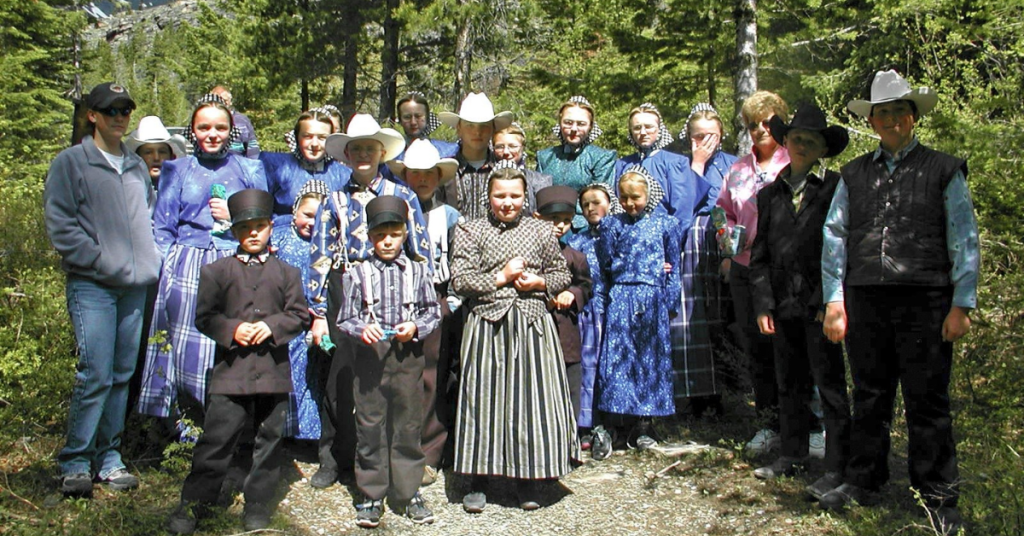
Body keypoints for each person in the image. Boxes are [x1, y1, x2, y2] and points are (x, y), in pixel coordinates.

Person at [818, 70, 978, 534]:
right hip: (865, 296)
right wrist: (834, 300)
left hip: (927, 297)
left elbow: (963, 238)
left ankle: (938, 497)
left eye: (896, 112)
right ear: (873, 119)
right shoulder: (853, 173)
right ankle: (863, 481)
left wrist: (961, 302)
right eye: (881, 112)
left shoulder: (944, 169)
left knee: (928, 400)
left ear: (912, 118)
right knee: (869, 395)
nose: (889, 120)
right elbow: (834, 237)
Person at [166, 189, 309, 534]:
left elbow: (298, 315)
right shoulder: (217, 271)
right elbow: (205, 317)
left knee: (269, 439)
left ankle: (258, 504)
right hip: (231, 373)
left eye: (260, 226)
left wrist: (269, 326)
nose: (254, 233)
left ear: (271, 227)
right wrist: (233, 330)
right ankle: (195, 503)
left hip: (273, 373)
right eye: (246, 228)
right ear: (234, 232)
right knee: (217, 439)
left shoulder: (286, 273)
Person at [44, 82, 161, 497]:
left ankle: (108, 458)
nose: (119, 117)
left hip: (134, 288)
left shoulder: (133, 166)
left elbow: (148, 220)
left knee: (121, 375)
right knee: (94, 373)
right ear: (92, 114)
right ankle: (75, 460)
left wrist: (150, 262)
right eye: (111, 109)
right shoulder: (71, 163)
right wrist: (100, 260)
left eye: (126, 109)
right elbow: (61, 225)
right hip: (92, 285)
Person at [307, 113, 431, 489]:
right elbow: (320, 254)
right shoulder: (335, 199)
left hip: (395, 287)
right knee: (341, 378)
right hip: (347, 287)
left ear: (381, 152)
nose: (363, 154)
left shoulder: (403, 195)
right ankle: (335, 457)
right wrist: (317, 311)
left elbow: (420, 250)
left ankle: (399, 463)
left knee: (394, 378)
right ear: (346, 155)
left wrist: (422, 294)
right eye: (356, 148)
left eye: (370, 148)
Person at [450, 167, 579, 513]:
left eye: (514, 196)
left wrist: (539, 283)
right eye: (500, 196)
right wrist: (500, 277)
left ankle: (528, 479)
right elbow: (460, 279)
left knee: (530, 402)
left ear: (525, 197)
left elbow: (561, 272)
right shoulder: (469, 230)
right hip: (487, 324)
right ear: (488, 197)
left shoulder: (540, 229)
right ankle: (478, 478)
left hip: (532, 324)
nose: (507, 203)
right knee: (483, 400)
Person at [136, 94, 269, 426]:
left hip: (234, 261)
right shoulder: (177, 169)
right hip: (187, 263)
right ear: (192, 131)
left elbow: (263, 223)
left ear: (231, 131)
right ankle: (184, 426)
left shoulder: (249, 168)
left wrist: (237, 215)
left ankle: (231, 427)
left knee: (232, 343)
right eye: (204, 127)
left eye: (220, 127)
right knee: (184, 346)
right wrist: (167, 272)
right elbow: (163, 227)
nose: (213, 134)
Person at [748, 104, 851, 497]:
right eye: (796, 138)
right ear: (785, 142)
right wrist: (762, 304)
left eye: (812, 140)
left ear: (823, 148)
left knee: (830, 387)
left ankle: (838, 466)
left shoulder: (836, 188)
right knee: (788, 382)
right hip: (782, 305)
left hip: (822, 304)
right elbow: (760, 255)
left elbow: (844, 247)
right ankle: (792, 455)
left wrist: (835, 302)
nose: (803, 144)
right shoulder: (770, 193)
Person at [336, 196, 441, 528]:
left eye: (394, 234)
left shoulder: (419, 271)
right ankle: (371, 493)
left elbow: (432, 312)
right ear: (369, 237)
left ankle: (408, 492)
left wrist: (416, 327)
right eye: (380, 236)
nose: (387, 242)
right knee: (369, 426)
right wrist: (360, 328)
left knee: (408, 425)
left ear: (405, 235)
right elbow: (345, 318)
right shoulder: (357, 273)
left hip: (407, 358)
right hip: (371, 360)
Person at [716, 90, 790, 454]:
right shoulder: (738, 169)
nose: (760, 129)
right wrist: (727, 250)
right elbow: (722, 213)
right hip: (746, 269)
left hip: (786, 270)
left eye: (767, 122)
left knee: (794, 348)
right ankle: (768, 424)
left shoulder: (795, 160)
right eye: (752, 125)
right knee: (758, 350)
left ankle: (809, 426)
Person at [386, 139, 461, 482]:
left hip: (435, 294)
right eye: (415, 173)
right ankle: (393, 447)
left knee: (432, 373)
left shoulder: (448, 216)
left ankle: (428, 451)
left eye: (429, 173)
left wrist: (451, 303)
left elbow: (459, 262)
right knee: (395, 375)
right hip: (393, 296)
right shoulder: (389, 208)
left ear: (438, 177)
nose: (422, 179)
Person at [595, 165, 683, 450]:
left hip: (652, 297)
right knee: (618, 358)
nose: (630, 204)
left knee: (650, 359)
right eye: (624, 198)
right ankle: (615, 424)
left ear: (648, 195)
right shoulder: (611, 224)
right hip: (622, 295)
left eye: (636, 197)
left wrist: (670, 301)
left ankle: (645, 425)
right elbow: (606, 262)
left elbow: (674, 267)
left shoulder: (665, 224)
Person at [675, 103, 738, 418]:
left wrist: (728, 250)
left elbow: (734, 211)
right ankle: (698, 393)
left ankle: (731, 391)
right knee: (693, 314)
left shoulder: (734, 164)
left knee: (723, 312)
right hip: (692, 237)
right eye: (698, 136)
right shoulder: (682, 165)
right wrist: (696, 164)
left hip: (724, 235)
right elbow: (682, 205)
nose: (705, 142)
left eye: (711, 136)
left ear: (722, 135)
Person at [271, 180, 331, 441]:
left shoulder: (330, 243)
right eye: (307, 215)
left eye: (319, 217)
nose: (312, 223)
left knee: (314, 376)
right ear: (294, 211)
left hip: (317, 319)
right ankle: (286, 430)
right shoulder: (280, 237)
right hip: (285, 318)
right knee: (289, 374)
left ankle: (312, 434)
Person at [567, 183, 624, 457]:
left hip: (614, 311)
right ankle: (585, 425)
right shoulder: (577, 241)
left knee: (610, 367)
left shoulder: (620, 233)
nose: (591, 208)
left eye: (597, 202)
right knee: (587, 367)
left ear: (610, 204)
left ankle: (614, 424)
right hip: (587, 313)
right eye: (586, 204)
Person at [534, 185, 593, 442]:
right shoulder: (527, 254)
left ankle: (567, 438)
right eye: (553, 219)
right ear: (538, 218)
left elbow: (586, 286)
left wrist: (573, 293)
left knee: (569, 385)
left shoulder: (575, 257)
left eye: (567, 221)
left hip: (565, 332)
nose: (560, 226)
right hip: (534, 330)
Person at [438, 92, 550, 220]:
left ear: (492, 129)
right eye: (470, 126)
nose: (477, 132)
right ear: (459, 128)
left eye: (484, 126)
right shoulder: (446, 171)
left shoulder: (508, 171)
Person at [260, 108, 350, 232]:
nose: (314, 144)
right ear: (297, 138)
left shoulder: (343, 175)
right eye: (307, 136)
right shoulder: (276, 167)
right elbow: (261, 211)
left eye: (322, 138)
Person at [536, 96, 618, 232]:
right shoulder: (545, 157)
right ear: (560, 123)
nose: (574, 129)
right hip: (548, 226)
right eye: (568, 122)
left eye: (581, 124)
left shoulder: (601, 157)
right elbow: (540, 195)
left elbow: (599, 200)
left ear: (591, 126)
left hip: (584, 227)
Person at [125, 115, 187, 188]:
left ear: (172, 157)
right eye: (148, 152)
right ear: (137, 157)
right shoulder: (127, 190)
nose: (156, 158)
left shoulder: (183, 189)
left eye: (162, 152)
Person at [395, 91, 458, 159]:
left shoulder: (448, 151)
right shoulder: (392, 155)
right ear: (400, 120)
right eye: (407, 117)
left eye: (418, 116)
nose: (413, 122)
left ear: (427, 118)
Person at [210, 85, 260, 158]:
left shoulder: (242, 121)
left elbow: (253, 149)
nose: (221, 103)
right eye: (217, 100)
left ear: (230, 102)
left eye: (224, 100)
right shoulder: (203, 120)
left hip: (238, 166)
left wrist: (252, 167)